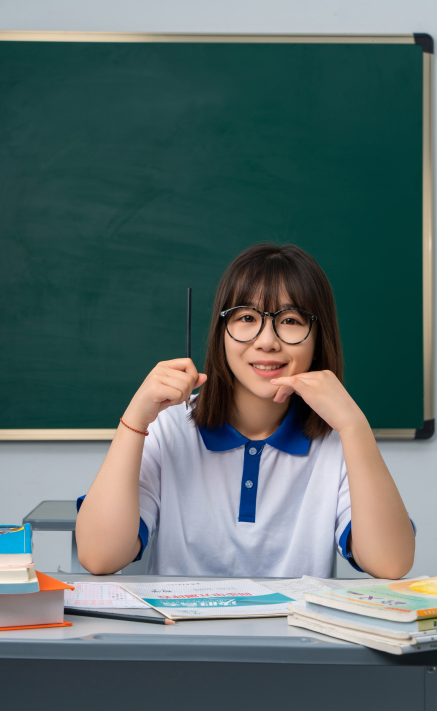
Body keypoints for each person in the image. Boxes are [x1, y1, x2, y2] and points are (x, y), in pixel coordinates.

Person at [76, 244, 415, 579]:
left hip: (294, 634)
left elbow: (390, 563)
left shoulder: (338, 440)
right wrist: (135, 419)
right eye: (247, 317)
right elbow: (100, 557)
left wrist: (355, 425)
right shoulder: (169, 429)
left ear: (318, 339)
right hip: (180, 633)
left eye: (291, 320)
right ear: (221, 332)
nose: (267, 341)